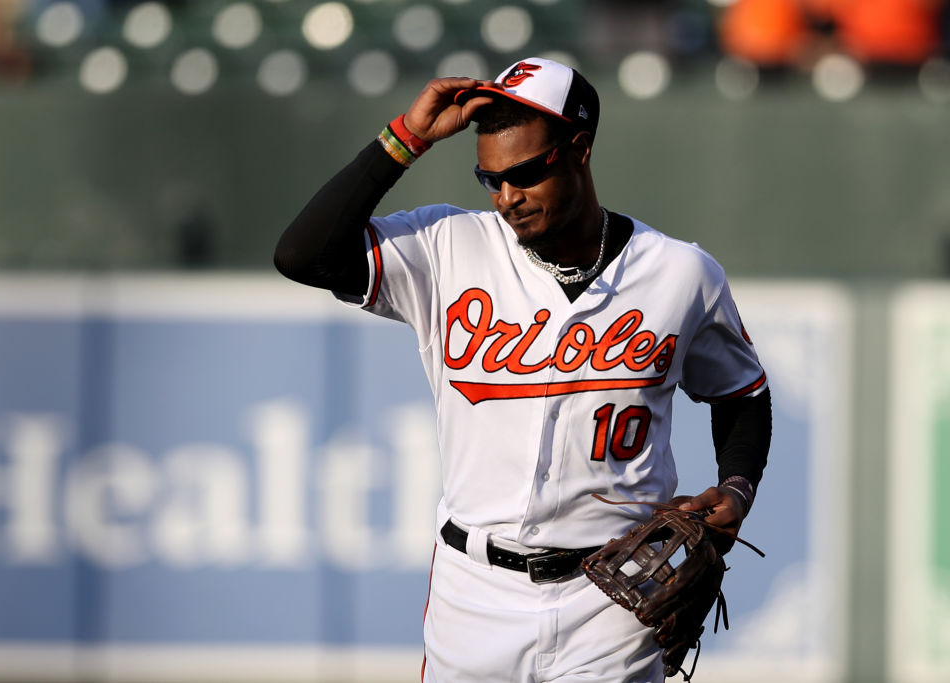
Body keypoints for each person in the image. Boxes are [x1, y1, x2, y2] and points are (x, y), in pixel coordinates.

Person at [274, 57, 772, 682]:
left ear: (579, 149)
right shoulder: (446, 246)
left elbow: (742, 393)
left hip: (612, 600)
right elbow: (302, 255)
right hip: (473, 593)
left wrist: (738, 487)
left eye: (526, 174)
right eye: (491, 178)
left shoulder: (680, 273)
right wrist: (408, 137)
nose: (508, 196)